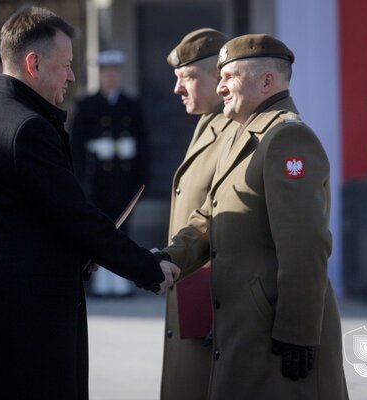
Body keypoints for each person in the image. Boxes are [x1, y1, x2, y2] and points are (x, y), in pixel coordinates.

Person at [0, 6, 179, 400]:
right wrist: (148, 267)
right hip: (28, 328)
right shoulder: (29, 128)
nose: (73, 77)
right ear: (34, 63)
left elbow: (27, 222)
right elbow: (75, 216)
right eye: (66, 65)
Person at [158, 34, 349, 399]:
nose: (222, 86)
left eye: (230, 76)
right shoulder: (241, 133)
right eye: (220, 77)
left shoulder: (286, 139)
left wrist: (297, 332)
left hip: (274, 336)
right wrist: (168, 258)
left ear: (266, 81)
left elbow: (305, 245)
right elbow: (211, 216)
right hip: (243, 330)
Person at [160, 28, 235, 400]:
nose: (178, 88)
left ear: (220, 77)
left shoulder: (236, 128)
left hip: (215, 302)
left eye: (187, 77)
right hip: (194, 293)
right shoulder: (209, 122)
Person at [71, 50, 149, 297]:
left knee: (124, 229)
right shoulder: (86, 105)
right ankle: (102, 282)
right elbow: (76, 145)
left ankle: (122, 280)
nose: (110, 78)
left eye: (114, 73)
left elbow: (144, 144)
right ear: (100, 75)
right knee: (100, 230)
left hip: (123, 179)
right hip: (97, 181)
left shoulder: (131, 104)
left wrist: (138, 172)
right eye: (106, 73)